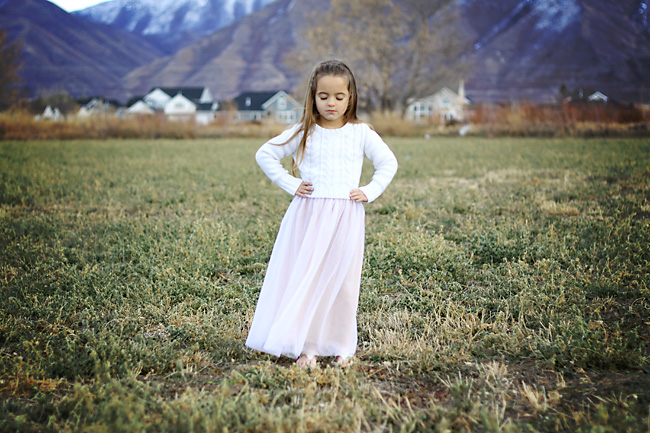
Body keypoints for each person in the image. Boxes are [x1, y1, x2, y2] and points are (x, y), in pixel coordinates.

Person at [245, 60, 398, 368]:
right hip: (308, 215)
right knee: (309, 278)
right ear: (313, 96)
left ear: (351, 96)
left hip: (346, 216)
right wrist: (291, 183)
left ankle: (342, 345)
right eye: (324, 96)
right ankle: (308, 347)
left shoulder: (361, 133)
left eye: (339, 97)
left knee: (343, 280)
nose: (331, 103)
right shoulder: (304, 131)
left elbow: (388, 163)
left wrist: (369, 191)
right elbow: (266, 154)